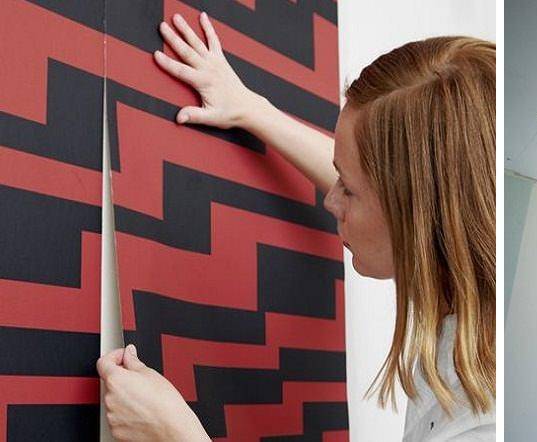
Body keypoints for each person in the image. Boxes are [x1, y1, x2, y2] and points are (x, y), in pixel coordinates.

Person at [96, 12, 496, 441]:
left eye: (349, 190)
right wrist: (250, 109)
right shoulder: (460, 288)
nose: (331, 200)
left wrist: (174, 434)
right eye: (340, 178)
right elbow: (386, 183)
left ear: (416, 219)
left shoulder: (481, 424)